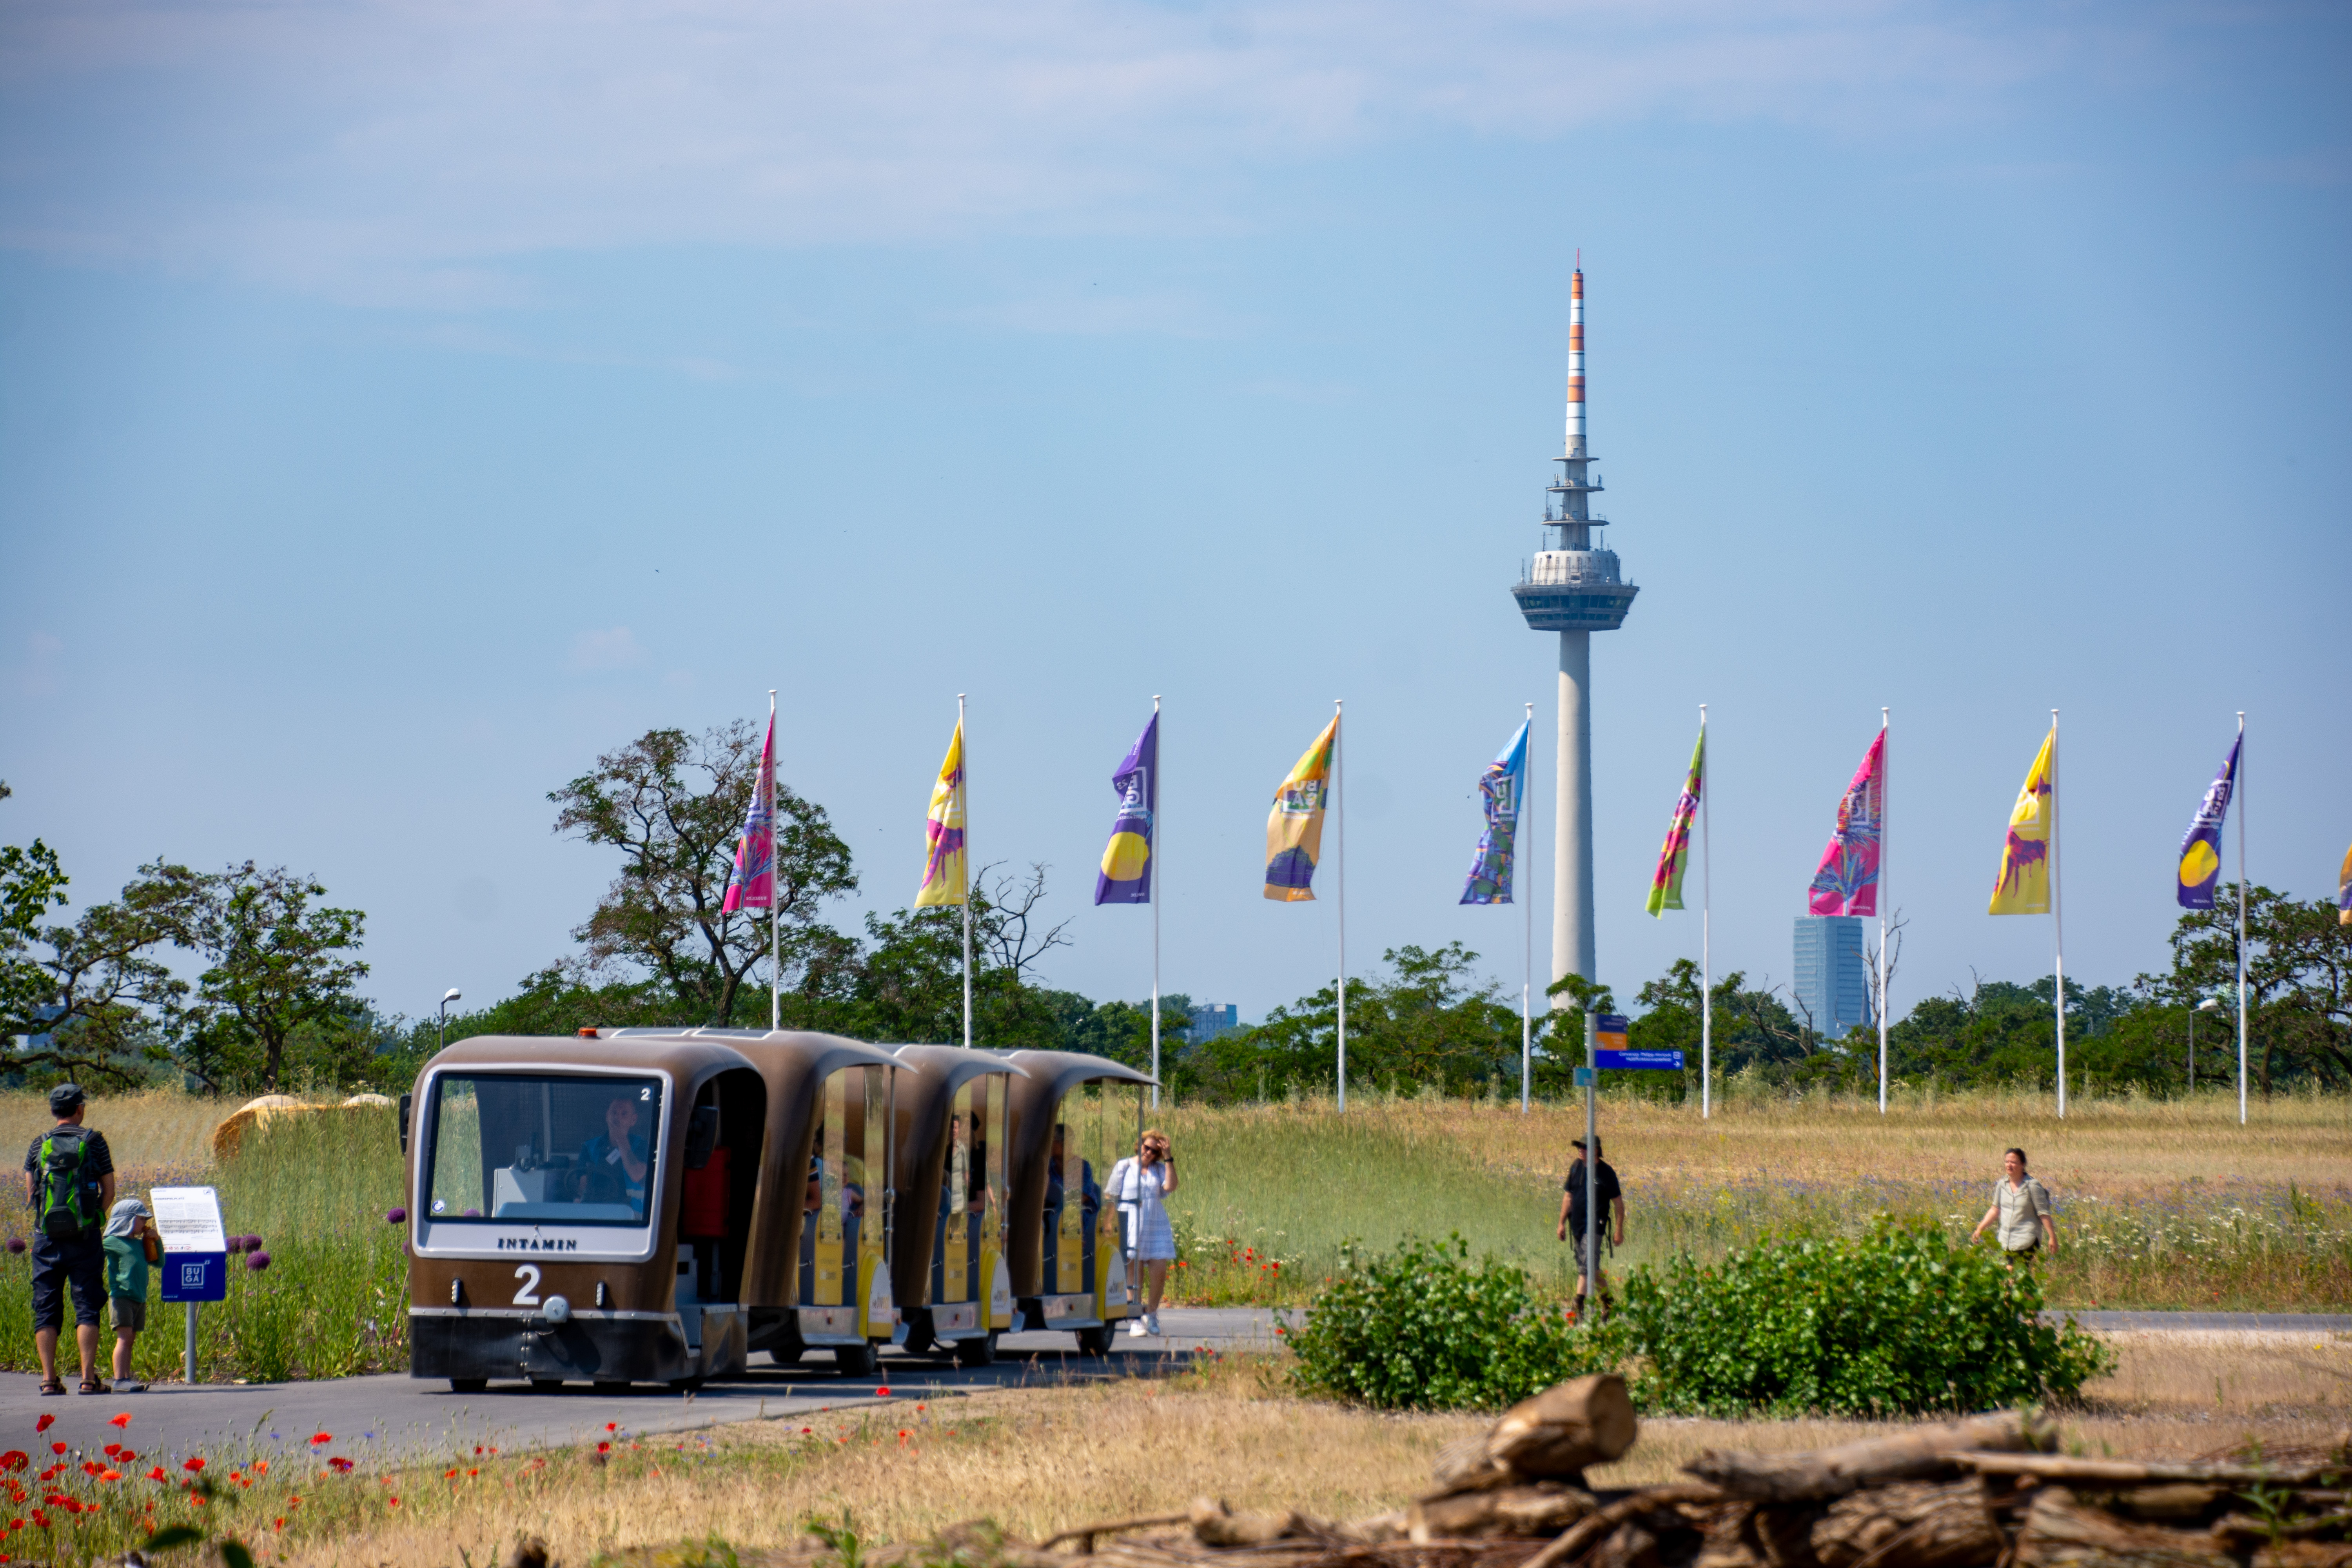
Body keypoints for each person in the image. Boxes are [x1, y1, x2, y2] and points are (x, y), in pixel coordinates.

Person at [23, 1083, 116, 1396]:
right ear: (79, 1109)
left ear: (53, 1111)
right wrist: (94, 1220)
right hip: (84, 1237)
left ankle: (49, 1380)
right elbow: (110, 1191)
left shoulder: (39, 1144)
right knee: (87, 1305)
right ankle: (89, 1379)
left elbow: (32, 1194)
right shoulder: (94, 1141)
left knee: (46, 1307)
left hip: (46, 1238)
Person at [1104, 1129, 1177, 1338]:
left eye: (1155, 1152)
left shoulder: (1159, 1169)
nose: (1149, 1154)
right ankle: (1135, 1318)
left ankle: (1152, 1314)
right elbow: (1112, 1195)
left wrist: (1169, 1157)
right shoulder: (1125, 1166)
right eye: (1147, 1148)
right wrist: (1108, 1222)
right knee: (1134, 1274)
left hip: (1155, 1224)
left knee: (1159, 1272)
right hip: (1131, 1224)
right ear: (1140, 1144)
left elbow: (1170, 1187)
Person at [1555, 1134, 1623, 1322]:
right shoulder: (1576, 1167)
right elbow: (1568, 1197)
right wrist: (1561, 1223)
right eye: (1580, 1147)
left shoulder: (1606, 1172)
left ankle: (1578, 1307)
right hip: (1577, 1224)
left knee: (1585, 1267)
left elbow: (1618, 1203)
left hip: (1596, 1226)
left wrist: (1619, 1230)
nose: (1580, 1150)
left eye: (1584, 1147)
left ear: (1595, 1150)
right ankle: (1609, 1304)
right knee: (1591, 1268)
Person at [101, 1197, 161, 1393]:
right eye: (141, 1219)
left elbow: (159, 1263)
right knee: (124, 1338)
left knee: (131, 1339)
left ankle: (126, 1378)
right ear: (126, 1220)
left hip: (139, 1297)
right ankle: (119, 1379)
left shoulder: (140, 1243)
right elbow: (95, 1253)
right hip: (121, 1297)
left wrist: (156, 1242)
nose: (146, 1223)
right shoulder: (112, 1241)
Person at [1970, 1147, 2056, 1261]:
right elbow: (1995, 1210)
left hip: (2027, 1238)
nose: (2009, 1165)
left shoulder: (2033, 1186)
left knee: (2013, 1271)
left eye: (2014, 1162)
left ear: (2023, 1165)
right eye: (2007, 1162)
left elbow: (2043, 1213)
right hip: (2006, 1240)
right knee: (2012, 1274)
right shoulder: (2002, 1185)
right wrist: (1980, 1229)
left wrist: (2052, 1237)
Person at [576, 1094, 650, 1210]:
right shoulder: (589, 1147)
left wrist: (620, 1138)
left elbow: (636, 1174)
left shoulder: (642, 1146)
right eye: (614, 1113)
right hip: (596, 1212)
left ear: (633, 1120)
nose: (617, 1117)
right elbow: (583, 1188)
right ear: (607, 1116)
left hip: (633, 1216)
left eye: (624, 1114)